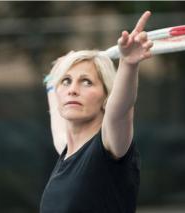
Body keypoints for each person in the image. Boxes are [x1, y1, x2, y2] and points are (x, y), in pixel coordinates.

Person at [40, 11, 153, 213]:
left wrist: (128, 63)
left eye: (86, 82)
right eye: (67, 81)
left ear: (106, 97)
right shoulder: (66, 149)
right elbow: (57, 109)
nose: (73, 89)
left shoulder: (109, 146)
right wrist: (52, 80)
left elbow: (120, 108)